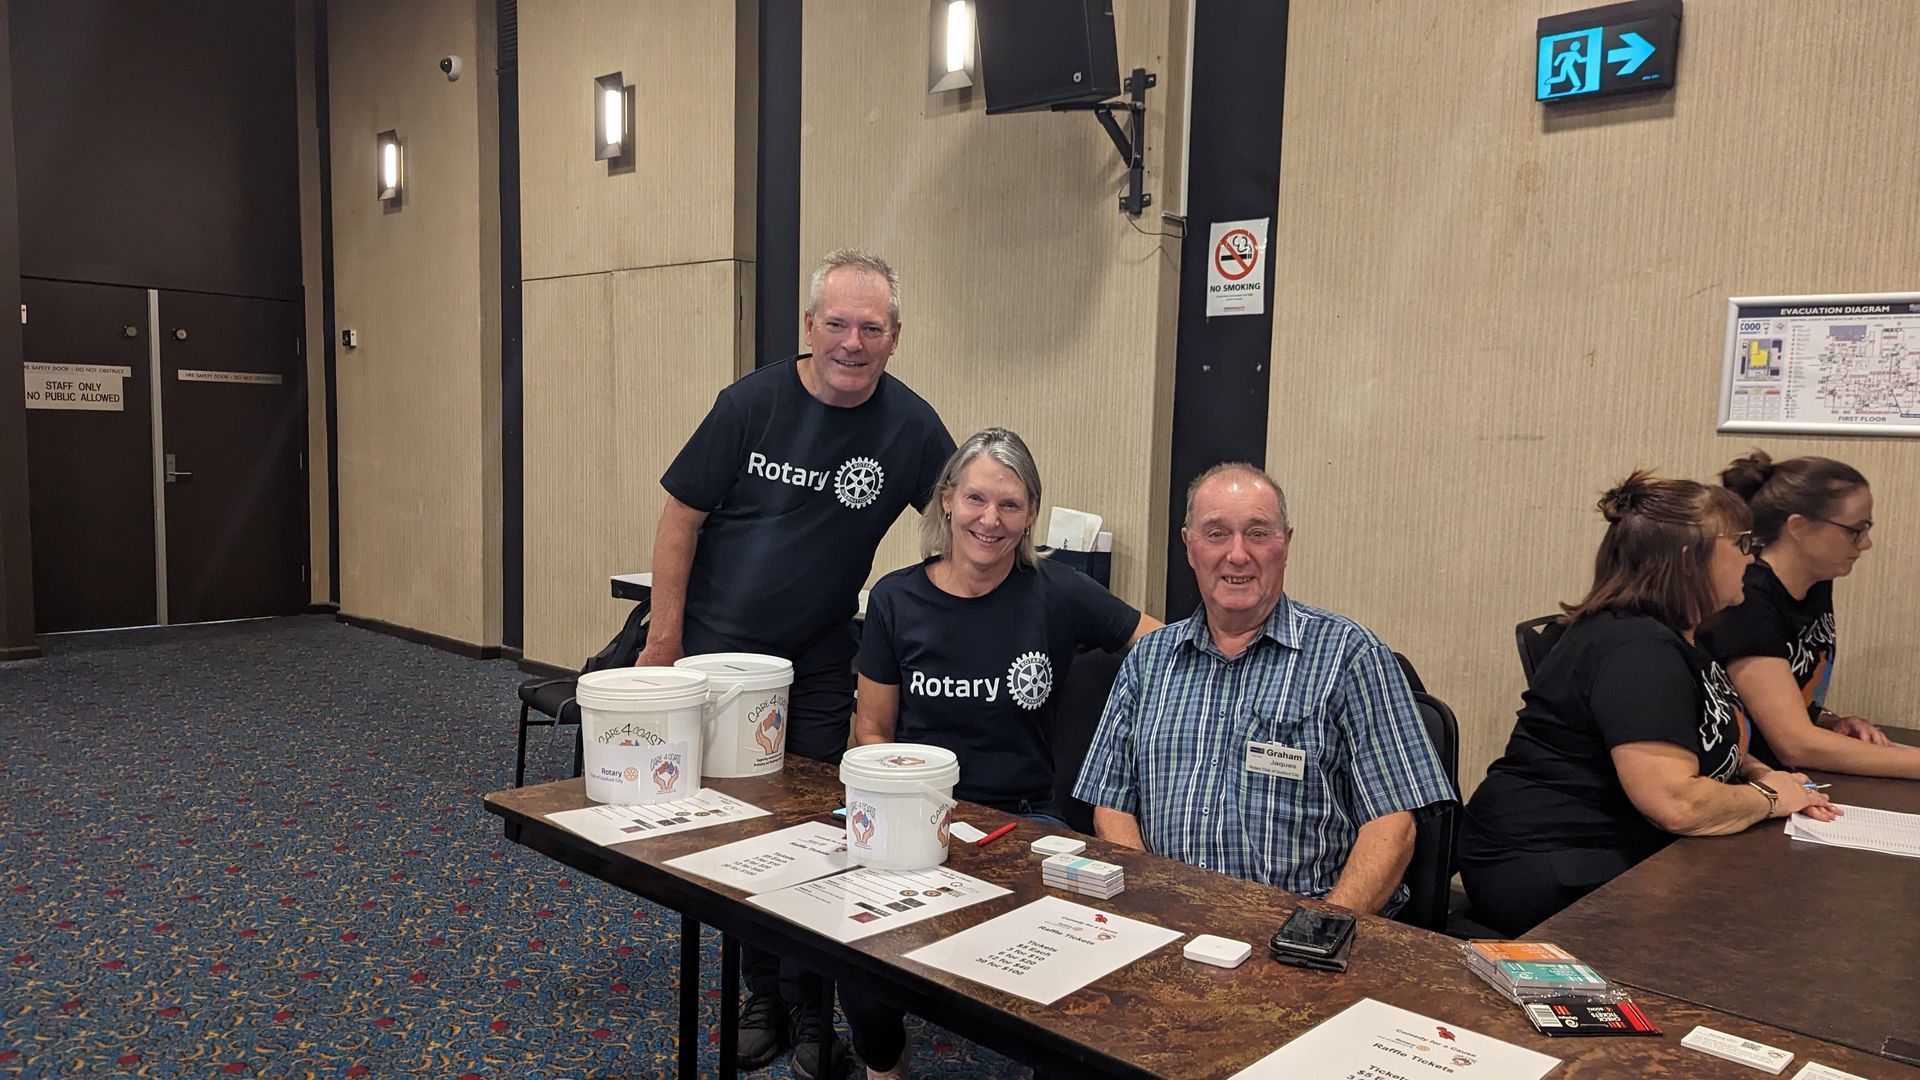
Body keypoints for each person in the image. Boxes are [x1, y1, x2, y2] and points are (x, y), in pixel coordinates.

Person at [637, 249, 955, 1076]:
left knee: (813, 830)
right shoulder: (750, 404)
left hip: (817, 655)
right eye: (837, 324)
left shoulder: (912, 427)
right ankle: (763, 996)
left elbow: (963, 522)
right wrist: (664, 646)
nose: (853, 342)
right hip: (719, 653)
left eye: (871, 328)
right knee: (739, 833)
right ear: (809, 325)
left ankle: (814, 1008)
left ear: (895, 337)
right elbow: (680, 515)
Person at [842, 427, 1159, 1080]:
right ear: (947, 500)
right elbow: (871, 732)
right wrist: (905, 815)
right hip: (922, 813)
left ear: (1031, 513)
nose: (991, 519)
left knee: (1072, 961)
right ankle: (884, 1066)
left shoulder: (1059, 591)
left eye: (1010, 505)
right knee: (856, 955)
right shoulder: (897, 599)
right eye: (977, 499)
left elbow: (1163, 648)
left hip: (1026, 819)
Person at [1459, 471, 1841, 938]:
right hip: (1554, 863)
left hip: (1617, 848)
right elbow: (1675, 803)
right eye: (1741, 543)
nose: (1751, 556)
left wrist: (1765, 774)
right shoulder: (1636, 650)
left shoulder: (1682, 633)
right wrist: (1769, 798)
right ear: (1689, 560)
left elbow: (1707, 732)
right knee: (1772, 921)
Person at [1074, 463, 1454, 918]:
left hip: (1303, 924)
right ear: (1189, 547)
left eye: (1257, 533)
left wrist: (1316, 932)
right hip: (1169, 917)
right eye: (1216, 534)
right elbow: (1111, 803)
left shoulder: (1350, 655)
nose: (1237, 555)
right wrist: (1149, 904)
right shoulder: (1148, 661)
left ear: (1285, 543)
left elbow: (1393, 825)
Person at [1704, 452, 1920, 779]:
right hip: (1742, 779)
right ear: (1798, 527)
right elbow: (1795, 744)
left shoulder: (1815, 581)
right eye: (1856, 530)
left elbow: (1783, 697)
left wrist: (1829, 721)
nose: (1865, 544)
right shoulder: (1748, 599)